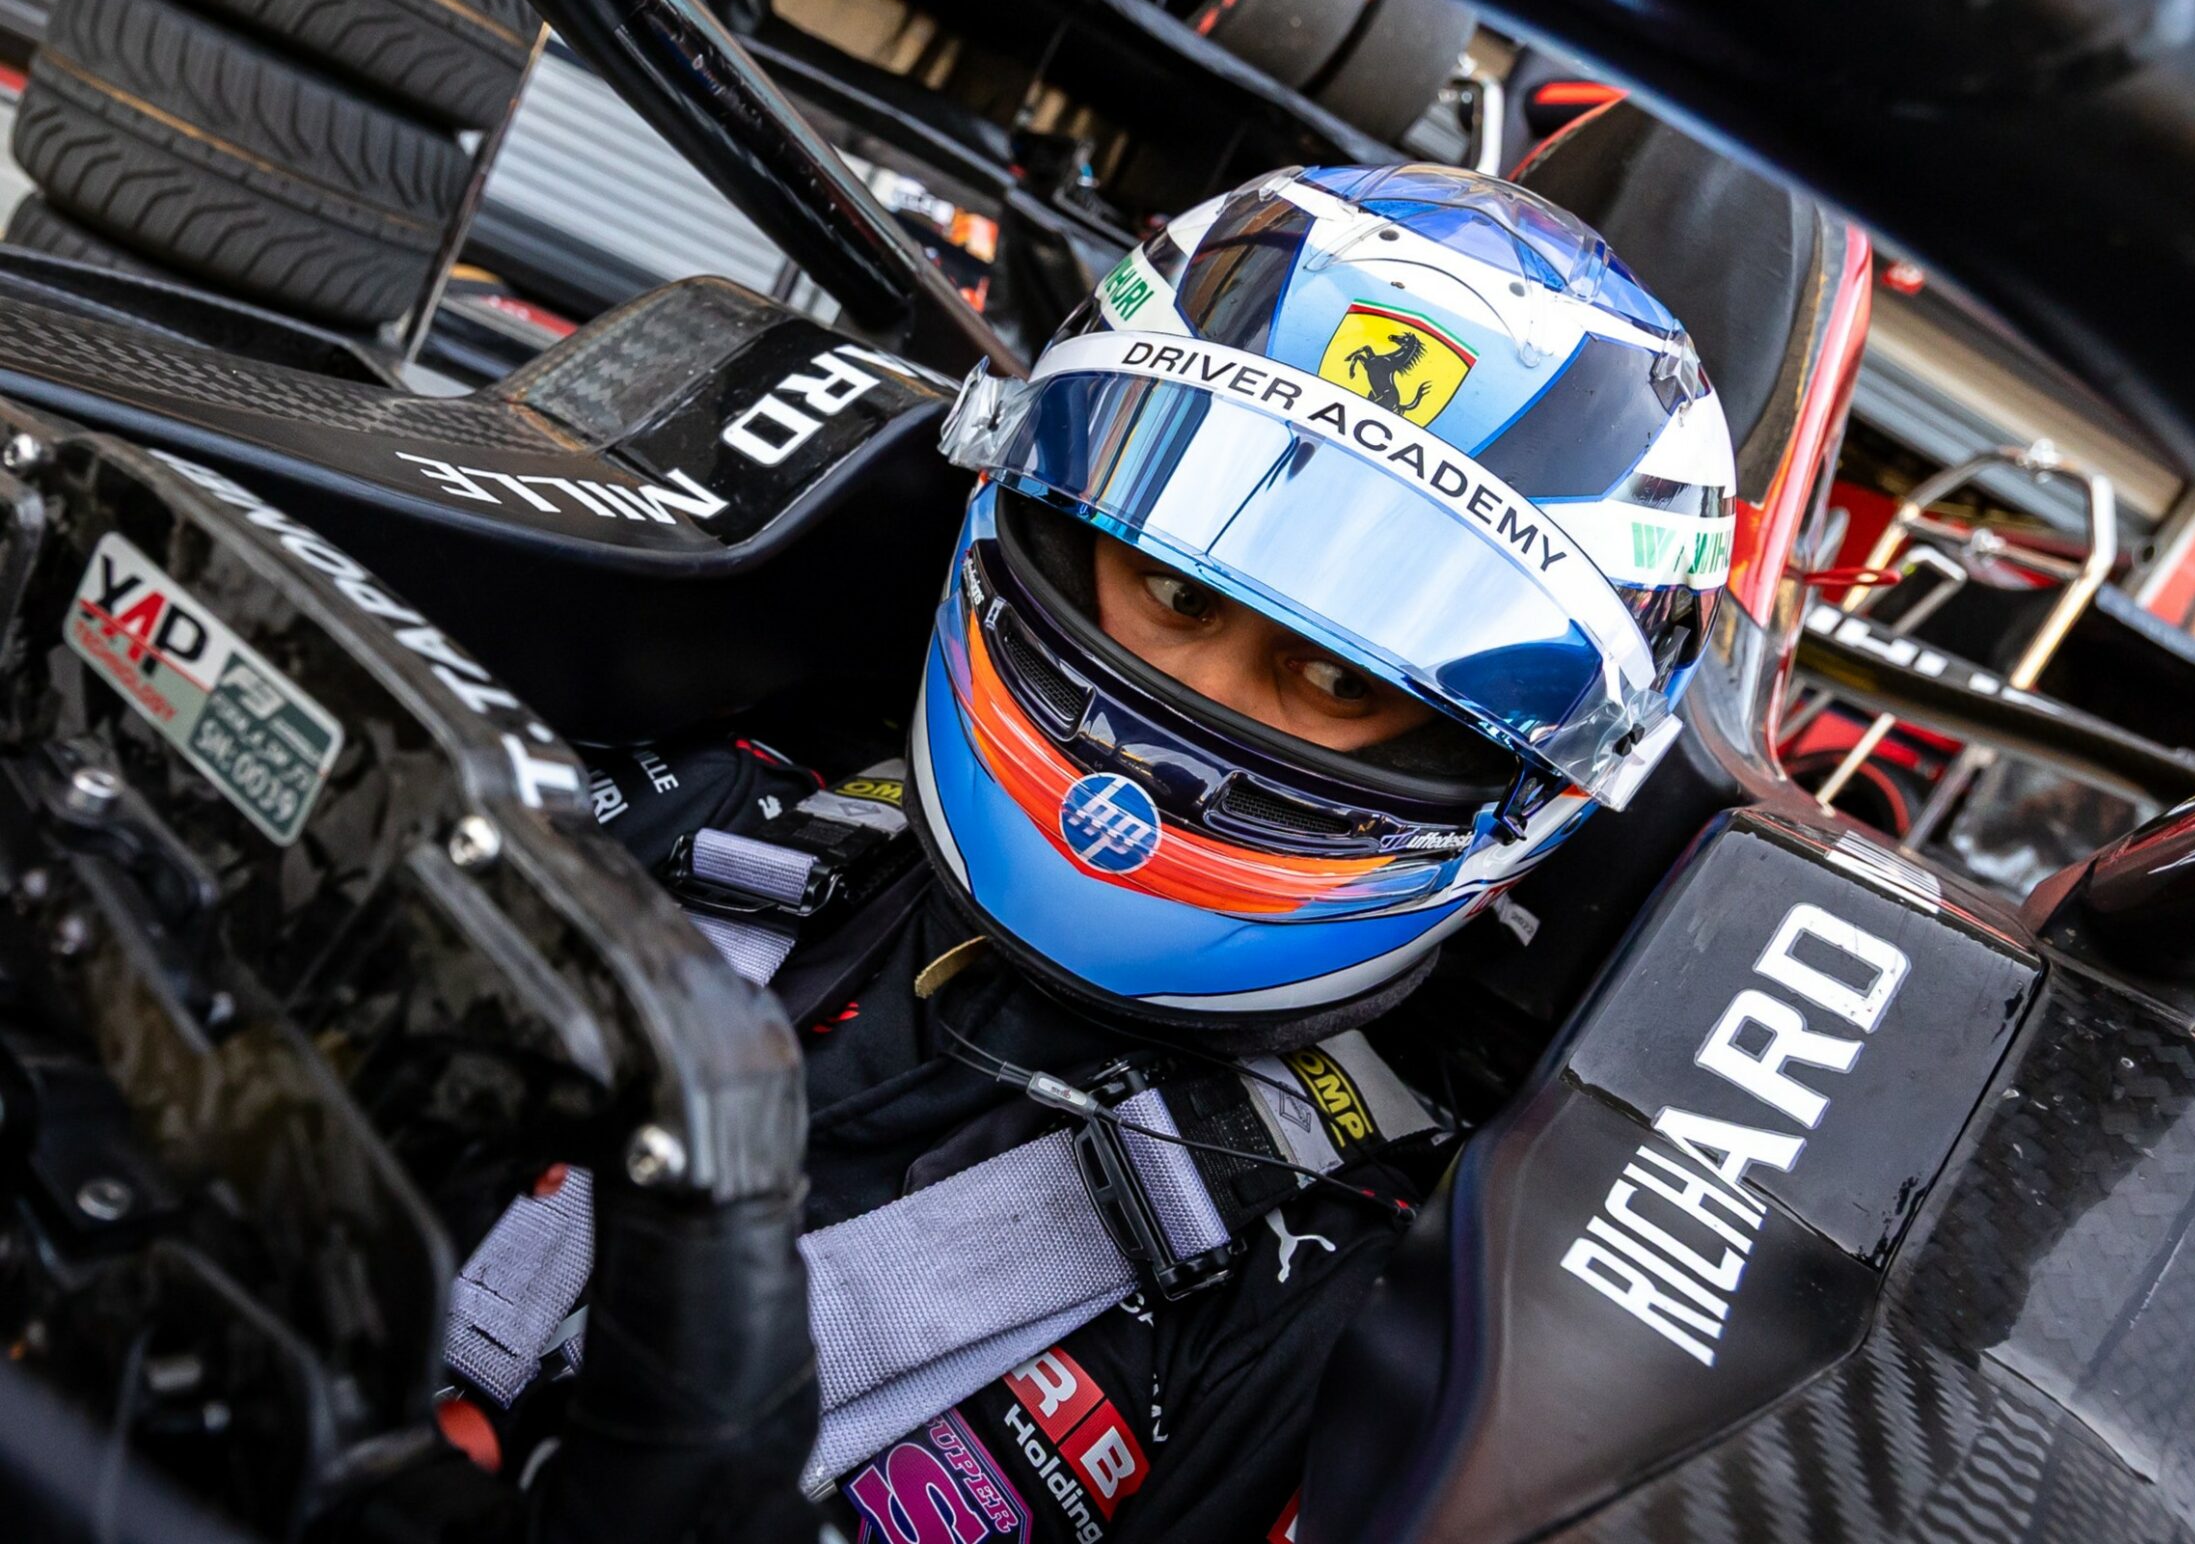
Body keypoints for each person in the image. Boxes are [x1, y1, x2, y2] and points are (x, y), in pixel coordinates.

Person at [453, 163, 1738, 1542]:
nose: (1184, 722)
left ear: (1527, 768)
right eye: (1176, 589)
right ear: (1045, 515)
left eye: (1339, 681)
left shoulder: (1343, 1325)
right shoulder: (696, 812)